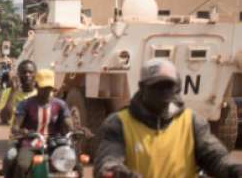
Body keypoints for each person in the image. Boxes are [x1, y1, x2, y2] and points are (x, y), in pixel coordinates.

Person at [95, 58, 242, 178]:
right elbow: (108, 158)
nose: (164, 92)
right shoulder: (119, 123)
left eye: (168, 85)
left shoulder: (192, 122)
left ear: (177, 87)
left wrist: (234, 169)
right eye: (157, 86)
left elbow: (215, 156)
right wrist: (114, 171)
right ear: (142, 87)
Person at [2, 69, 72, 178]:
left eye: (49, 88)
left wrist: (78, 129)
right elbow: (15, 127)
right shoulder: (25, 104)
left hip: (55, 143)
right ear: (36, 86)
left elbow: (69, 124)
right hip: (31, 142)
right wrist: (22, 131)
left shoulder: (60, 104)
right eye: (43, 88)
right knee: (22, 165)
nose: (47, 91)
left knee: (74, 164)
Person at [0, 59, 37, 125]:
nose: (27, 75)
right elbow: (4, 118)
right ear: (18, 74)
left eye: (30, 72)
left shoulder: (41, 93)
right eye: (24, 72)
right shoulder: (7, 93)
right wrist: (12, 93)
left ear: (35, 74)